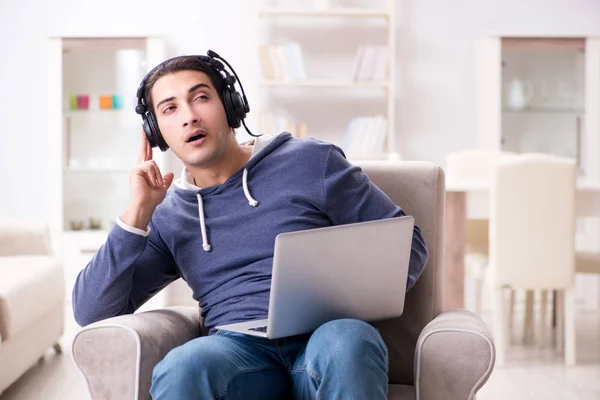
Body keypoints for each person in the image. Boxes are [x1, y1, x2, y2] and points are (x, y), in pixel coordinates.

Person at [72, 50, 428, 400]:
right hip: (238, 355)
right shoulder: (165, 215)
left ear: (230, 105)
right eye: (170, 109)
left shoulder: (310, 161)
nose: (189, 117)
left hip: (325, 337)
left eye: (201, 98)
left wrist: (354, 299)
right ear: (157, 132)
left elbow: (407, 244)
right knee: (182, 366)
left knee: (347, 340)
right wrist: (137, 212)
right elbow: (92, 312)